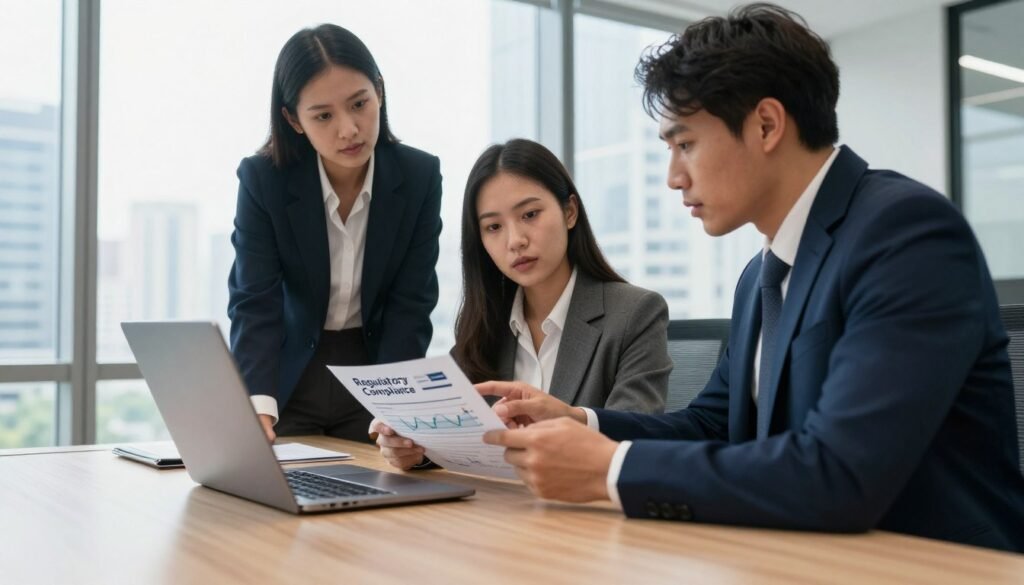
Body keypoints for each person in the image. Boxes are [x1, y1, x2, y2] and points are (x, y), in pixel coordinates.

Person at [479, 4, 1024, 552]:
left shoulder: (904, 234)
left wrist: (612, 469)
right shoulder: (760, 274)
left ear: (766, 124)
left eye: (685, 143)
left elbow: (841, 474)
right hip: (796, 554)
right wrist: (581, 422)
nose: (673, 177)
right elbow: (714, 425)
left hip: (931, 563)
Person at [374, 139, 672, 470]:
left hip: (584, 513)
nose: (515, 240)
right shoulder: (486, 325)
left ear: (569, 212)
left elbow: (631, 441)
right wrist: (416, 449)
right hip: (500, 512)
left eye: (530, 214)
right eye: (493, 227)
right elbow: (453, 434)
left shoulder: (635, 313)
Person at [228, 24, 442, 443]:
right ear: (293, 119)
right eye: (323, 115)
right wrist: (256, 406)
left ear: (379, 91)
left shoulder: (420, 176)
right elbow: (256, 302)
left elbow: (410, 305)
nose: (348, 129)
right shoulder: (263, 180)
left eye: (359, 104)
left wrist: (397, 410)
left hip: (374, 377)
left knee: (387, 493)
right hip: (287, 376)